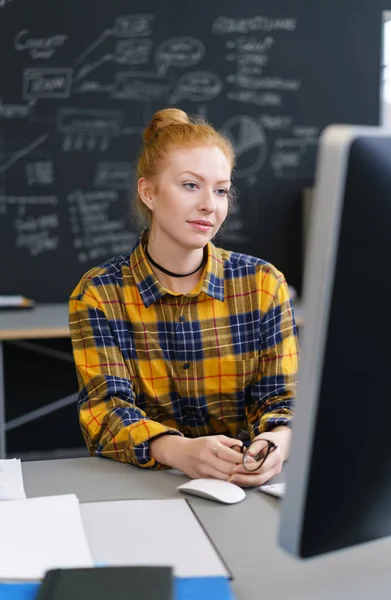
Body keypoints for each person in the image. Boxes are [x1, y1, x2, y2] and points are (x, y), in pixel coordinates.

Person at [69, 108, 299, 487]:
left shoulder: (262, 283)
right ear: (149, 192)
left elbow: (283, 400)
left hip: (245, 484)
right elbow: (105, 413)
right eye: (191, 185)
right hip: (145, 487)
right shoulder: (99, 294)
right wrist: (179, 450)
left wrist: (274, 445)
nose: (210, 204)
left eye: (221, 190)